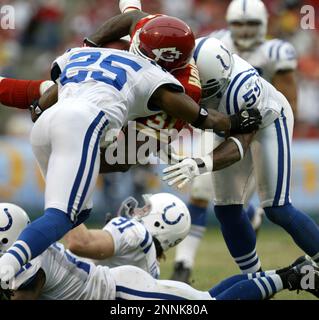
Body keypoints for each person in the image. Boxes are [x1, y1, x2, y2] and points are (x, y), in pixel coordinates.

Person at [0, 44, 261, 284]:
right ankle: (6, 266)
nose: (137, 210)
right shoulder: (155, 77)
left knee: (72, 215)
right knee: (63, 216)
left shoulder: (92, 54)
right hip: (80, 126)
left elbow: (45, 89)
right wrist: (234, 123)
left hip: (47, 125)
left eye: (145, 208)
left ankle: (18, 260)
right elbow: (200, 117)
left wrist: (37, 108)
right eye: (145, 207)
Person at [162, 37, 319, 277]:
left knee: (277, 208)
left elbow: (239, 145)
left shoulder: (241, 88)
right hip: (224, 125)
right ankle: (257, 280)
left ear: (220, 82)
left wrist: (199, 164)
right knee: (226, 210)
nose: (197, 92)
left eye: (205, 88)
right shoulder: (191, 67)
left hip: (268, 121)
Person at [0, 203, 318, 300]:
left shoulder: (133, 230)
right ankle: (291, 273)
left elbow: (80, 245)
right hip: (126, 285)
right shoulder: (139, 236)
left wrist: (65, 201)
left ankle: (292, 276)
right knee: (207, 299)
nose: (138, 207)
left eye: (147, 207)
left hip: (122, 294)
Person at [64, 193, 191, 279]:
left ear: (159, 223)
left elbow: (80, 243)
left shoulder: (137, 233)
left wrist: (66, 198)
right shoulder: (153, 267)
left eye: (146, 209)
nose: (138, 211)